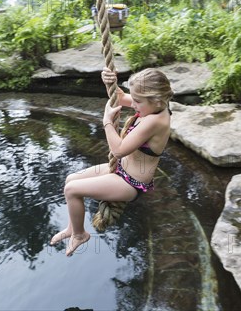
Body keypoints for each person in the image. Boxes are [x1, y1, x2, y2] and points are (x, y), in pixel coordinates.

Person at [50, 67, 174, 256]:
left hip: (130, 183)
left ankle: (80, 234)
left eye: (138, 101)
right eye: (135, 99)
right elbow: (120, 97)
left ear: (156, 100)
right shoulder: (151, 106)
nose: (133, 105)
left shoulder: (156, 121)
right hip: (120, 171)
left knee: (72, 190)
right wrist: (109, 81)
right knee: (70, 179)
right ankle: (72, 228)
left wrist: (107, 121)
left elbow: (118, 150)